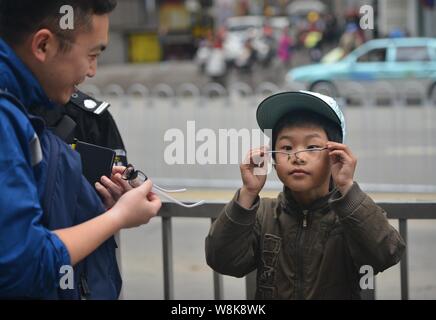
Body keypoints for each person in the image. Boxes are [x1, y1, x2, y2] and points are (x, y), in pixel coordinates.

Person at [0, 0, 161, 299]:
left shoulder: (26, 106)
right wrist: (117, 218)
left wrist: (92, 198)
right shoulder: (6, 118)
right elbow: (23, 264)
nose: (92, 71)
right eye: (91, 54)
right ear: (43, 45)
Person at [205, 91, 406, 299]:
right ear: (272, 159)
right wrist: (248, 193)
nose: (297, 157)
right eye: (286, 147)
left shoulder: (351, 214)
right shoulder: (262, 214)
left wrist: (347, 187)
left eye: (311, 147)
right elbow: (222, 260)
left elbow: (386, 254)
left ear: (335, 156)